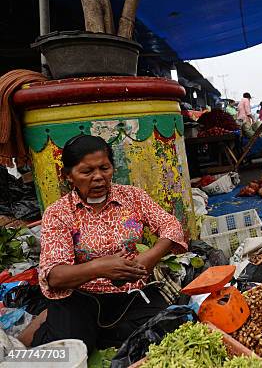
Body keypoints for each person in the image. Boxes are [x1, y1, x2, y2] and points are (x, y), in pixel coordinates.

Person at [20, 135, 187, 352]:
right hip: (82, 296)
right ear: (68, 175)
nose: (98, 177)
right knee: (72, 349)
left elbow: (171, 226)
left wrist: (150, 258)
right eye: (87, 172)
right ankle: (49, 319)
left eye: (104, 168)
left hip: (130, 294)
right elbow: (53, 275)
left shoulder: (132, 197)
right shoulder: (59, 213)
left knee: (161, 337)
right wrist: (100, 268)